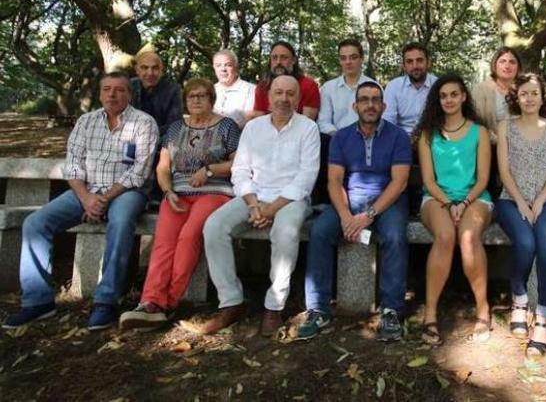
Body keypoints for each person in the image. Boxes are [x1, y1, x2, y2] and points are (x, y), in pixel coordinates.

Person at [3, 73, 159, 330]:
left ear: (129, 94)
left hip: (127, 192)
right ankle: (37, 301)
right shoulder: (85, 122)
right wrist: (87, 199)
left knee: (120, 223)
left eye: (119, 90)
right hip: (85, 191)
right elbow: (73, 168)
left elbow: (139, 173)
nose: (112, 94)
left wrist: (104, 199)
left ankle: (107, 301)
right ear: (99, 94)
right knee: (35, 223)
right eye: (107, 89)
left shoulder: (144, 123)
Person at [190, 75, 320, 337]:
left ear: (298, 98)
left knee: (285, 232)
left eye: (290, 94)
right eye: (278, 93)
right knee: (214, 226)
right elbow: (239, 170)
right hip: (254, 196)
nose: (284, 99)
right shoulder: (253, 128)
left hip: (291, 199)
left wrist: (271, 209)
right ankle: (231, 303)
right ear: (269, 96)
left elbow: (306, 178)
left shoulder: (308, 128)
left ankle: (274, 306)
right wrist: (252, 203)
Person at [119, 78, 241, 330]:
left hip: (214, 192)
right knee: (163, 242)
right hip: (178, 194)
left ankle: (169, 302)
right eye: (191, 96)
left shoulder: (228, 126)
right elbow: (163, 166)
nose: (196, 100)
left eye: (202, 95)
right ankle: (150, 302)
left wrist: (209, 170)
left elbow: (238, 164)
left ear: (211, 99)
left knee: (188, 236)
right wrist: (167, 191)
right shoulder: (175, 129)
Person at [298, 82, 412, 342]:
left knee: (395, 236)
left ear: (383, 106)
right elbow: (335, 181)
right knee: (320, 232)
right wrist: (346, 215)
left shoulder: (398, 137)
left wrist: (368, 215)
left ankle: (391, 310)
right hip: (350, 202)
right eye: (364, 100)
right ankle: (318, 309)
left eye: (375, 100)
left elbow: (399, 182)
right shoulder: (341, 137)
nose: (370, 105)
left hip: (388, 202)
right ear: (355, 105)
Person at [415, 74, 493, 346]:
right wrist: (449, 204)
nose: (448, 99)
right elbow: (428, 180)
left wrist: (464, 203)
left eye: (453, 94)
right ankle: (431, 314)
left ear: (463, 97)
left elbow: (483, 178)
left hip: (475, 198)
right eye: (443, 95)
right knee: (446, 236)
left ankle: (483, 309)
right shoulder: (428, 134)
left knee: (469, 237)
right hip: (436, 199)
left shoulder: (479, 131)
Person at [495, 73, 546, 357]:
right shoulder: (505, 126)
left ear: (542, 96)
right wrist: (523, 202)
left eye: (534, 93)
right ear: (516, 97)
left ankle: (544, 319)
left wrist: (538, 201)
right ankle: (520, 300)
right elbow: (504, 170)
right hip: (510, 201)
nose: (529, 98)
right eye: (523, 93)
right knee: (525, 243)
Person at [317, 39, 377, 135]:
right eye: (343, 58)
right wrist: (339, 138)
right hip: (336, 139)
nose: (348, 62)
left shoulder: (374, 87)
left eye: (353, 57)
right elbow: (323, 122)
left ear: (361, 59)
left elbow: (380, 120)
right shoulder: (328, 88)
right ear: (340, 61)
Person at [253, 40, 320, 120]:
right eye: (274, 58)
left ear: (293, 61)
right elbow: (258, 121)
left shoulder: (309, 86)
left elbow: (307, 123)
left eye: (284, 58)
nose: (278, 62)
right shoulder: (262, 87)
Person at [382, 42, 438, 135]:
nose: (415, 66)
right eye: (409, 62)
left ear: (428, 63)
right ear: (404, 66)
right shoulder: (394, 86)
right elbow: (388, 122)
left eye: (419, 60)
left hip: (431, 138)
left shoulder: (438, 85)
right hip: (401, 140)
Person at [131, 50, 183, 136]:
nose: (150, 73)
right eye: (145, 68)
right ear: (137, 70)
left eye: (155, 68)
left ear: (161, 71)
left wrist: (146, 136)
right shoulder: (128, 87)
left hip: (160, 141)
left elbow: (174, 125)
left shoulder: (173, 90)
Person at [472, 47, 521, 140]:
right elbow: (475, 124)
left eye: (512, 62)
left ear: (518, 67)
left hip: (521, 146)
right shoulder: (481, 90)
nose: (507, 66)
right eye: (502, 61)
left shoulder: (524, 90)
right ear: (495, 65)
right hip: (490, 147)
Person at [212, 49, 256, 128]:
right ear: (214, 68)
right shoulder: (210, 90)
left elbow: (249, 121)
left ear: (236, 67)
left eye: (228, 65)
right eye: (218, 65)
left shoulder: (251, 90)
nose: (223, 69)